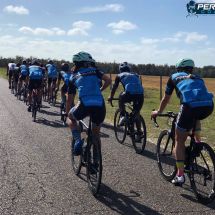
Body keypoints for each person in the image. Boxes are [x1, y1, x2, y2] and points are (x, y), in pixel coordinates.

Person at [151, 58, 214, 185]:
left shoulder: (174, 77)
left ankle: (180, 176)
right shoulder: (198, 77)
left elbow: (165, 98)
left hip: (189, 107)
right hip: (208, 105)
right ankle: (197, 144)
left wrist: (158, 111)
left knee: (179, 141)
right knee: (196, 116)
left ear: (179, 69)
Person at [66, 51, 111, 157]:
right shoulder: (95, 71)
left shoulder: (72, 77)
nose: (91, 65)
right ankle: (96, 162)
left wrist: (67, 111)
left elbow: (70, 98)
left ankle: (78, 140)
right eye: (90, 63)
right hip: (100, 105)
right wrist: (101, 89)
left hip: (84, 105)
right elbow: (108, 80)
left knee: (71, 117)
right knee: (96, 134)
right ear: (86, 64)